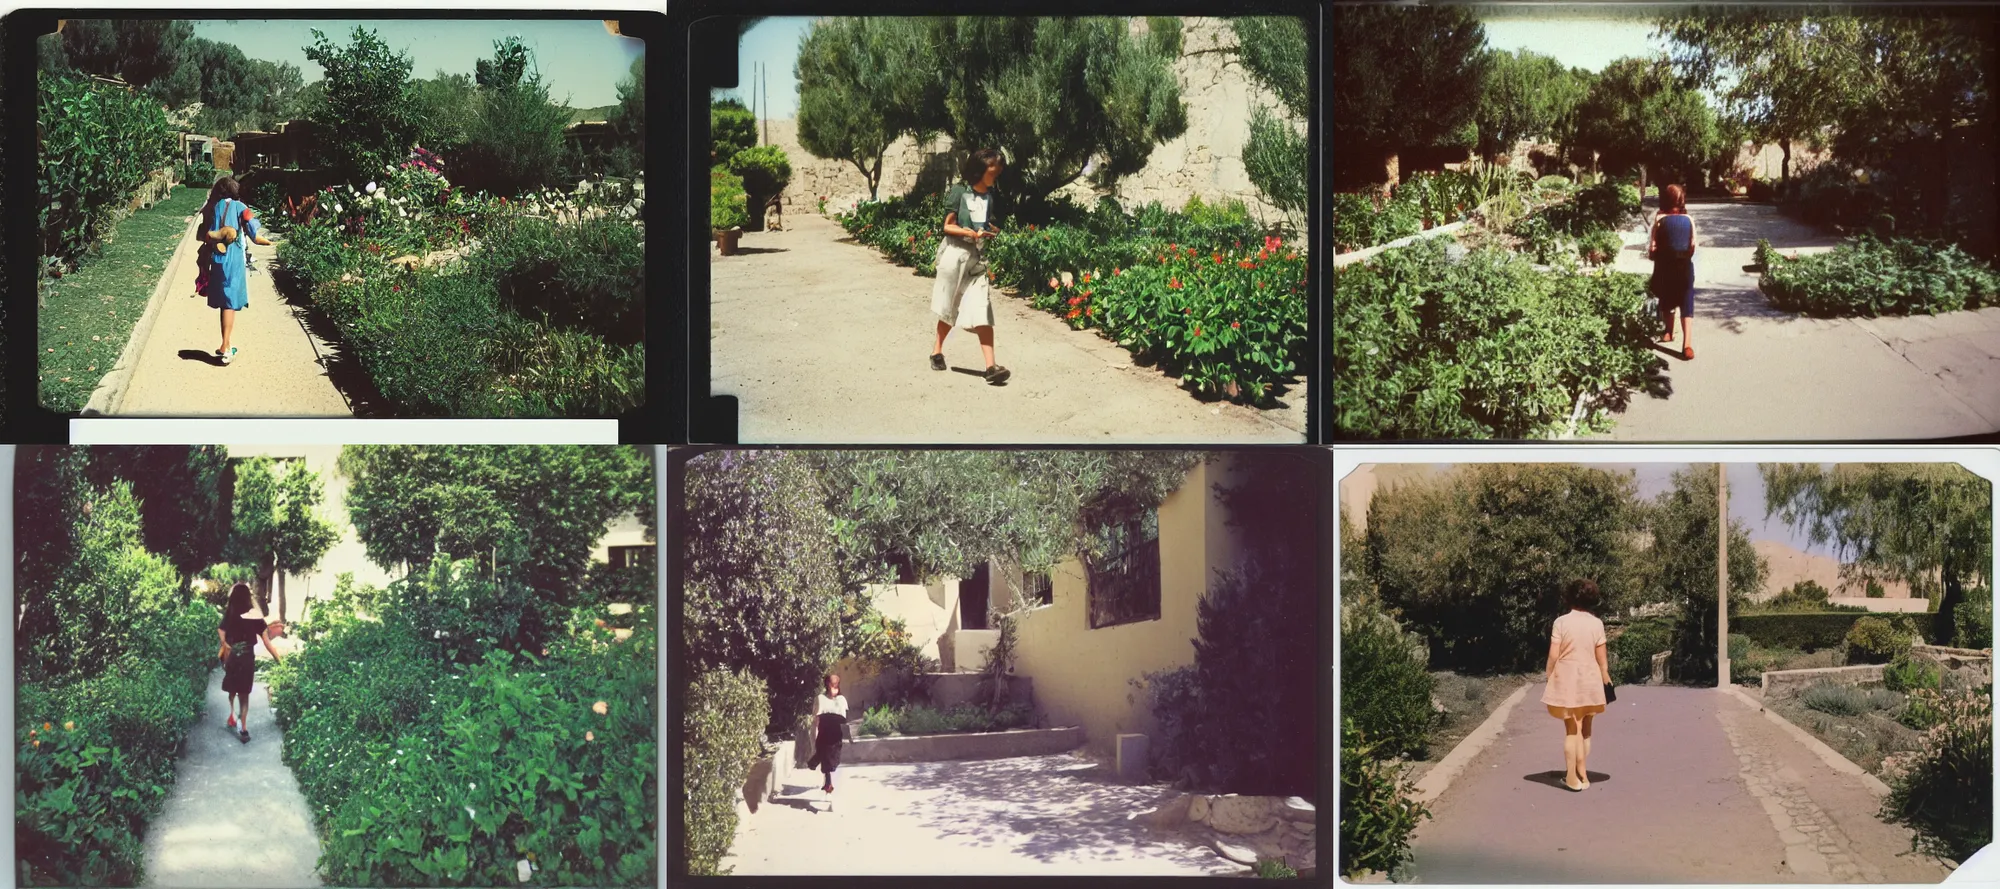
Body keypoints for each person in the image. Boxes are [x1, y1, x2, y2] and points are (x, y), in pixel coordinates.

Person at [930, 148, 1011, 385]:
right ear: (981, 169)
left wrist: (990, 231)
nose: (997, 174)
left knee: (983, 307)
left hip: (977, 258)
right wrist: (966, 231)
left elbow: (986, 223)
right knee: (949, 306)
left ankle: (991, 367)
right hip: (955, 255)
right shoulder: (959, 192)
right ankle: (937, 351)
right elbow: (947, 226)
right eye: (994, 170)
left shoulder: (990, 195)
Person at [1541, 578, 1610, 792]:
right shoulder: (1596, 623)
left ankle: (1572, 778)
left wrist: (1549, 674)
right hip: (1590, 680)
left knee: (1572, 729)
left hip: (1568, 678)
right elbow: (1602, 659)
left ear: (1569, 597)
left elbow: (1554, 655)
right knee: (1585, 729)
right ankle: (1584, 775)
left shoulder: (1561, 622)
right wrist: (1606, 678)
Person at [196, 177, 272, 367]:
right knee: (229, 301)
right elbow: (254, 234)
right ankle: (225, 346)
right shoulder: (240, 207)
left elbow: (202, 233)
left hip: (217, 258)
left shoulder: (211, 207)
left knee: (224, 301)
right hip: (233, 258)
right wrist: (269, 242)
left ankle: (227, 342)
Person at [216, 582, 285, 744]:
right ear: (248, 597)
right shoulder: (254, 615)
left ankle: (233, 714)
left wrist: (224, 643)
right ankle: (243, 726)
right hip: (247, 657)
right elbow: (267, 642)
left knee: (232, 689)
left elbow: (220, 629)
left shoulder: (230, 613)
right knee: (244, 694)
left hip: (232, 656)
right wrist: (279, 661)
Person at [1649, 183, 1698, 361]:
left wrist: (1655, 255)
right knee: (1686, 302)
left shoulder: (1659, 219)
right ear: (1682, 200)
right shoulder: (1689, 220)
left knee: (1667, 298)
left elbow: (1652, 246)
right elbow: (1693, 246)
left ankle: (1669, 332)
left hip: (1665, 265)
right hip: (1684, 266)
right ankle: (1687, 345)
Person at [804, 673, 849, 809]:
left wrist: (849, 737)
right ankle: (829, 786)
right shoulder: (820, 699)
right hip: (824, 734)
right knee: (827, 761)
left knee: (832, 761)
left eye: (836, 684)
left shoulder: (841, 700)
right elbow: (815, 721)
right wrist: (814, 737)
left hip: (835, 736)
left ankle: (815, 762)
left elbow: (844, 720)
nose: (833, 687)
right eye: (831, 684)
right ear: (827, 684)